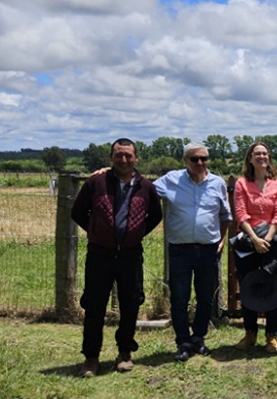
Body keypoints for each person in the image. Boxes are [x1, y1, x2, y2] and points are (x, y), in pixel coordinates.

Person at [71, 138, 162, 377]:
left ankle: (124, 353)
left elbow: (155, 216)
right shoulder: (96, 182)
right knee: (94, 305)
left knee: (131, 304)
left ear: (136, 158)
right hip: (100, 254)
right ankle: (91, 357)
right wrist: (97, 231)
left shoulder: (146, 187)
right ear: (111, 157)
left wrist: (136, 233)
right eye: (119, 155)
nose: (124, 160)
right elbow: (78, 212)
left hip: (131, 255)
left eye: (128, 155)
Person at [154, 142, 233, 362]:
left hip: (208, 250)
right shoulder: (171, 180)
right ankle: (182, 341)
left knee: (206, 297)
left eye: (204, 159)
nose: (200, 163)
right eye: (194, 159)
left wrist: (222, 240)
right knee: (179, 297)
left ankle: (198, 338)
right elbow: (143, 188)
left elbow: (226, 216)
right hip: (180, 249)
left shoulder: (217, 183)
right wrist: (108, 172)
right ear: (185, 161)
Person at [232, 142, 277, 354]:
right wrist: (255, 239)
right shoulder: (242, 184)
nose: (261, 157)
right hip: (247, 243)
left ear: (269, 158)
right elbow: (241, 213)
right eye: (257, 154)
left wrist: (268, 239)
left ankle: (272, 335)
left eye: (264, 153)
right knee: (248, 286)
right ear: (250, 159)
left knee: (273, 287)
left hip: (271, 243)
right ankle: (250, 333)